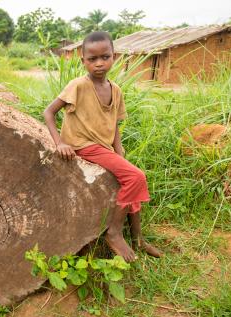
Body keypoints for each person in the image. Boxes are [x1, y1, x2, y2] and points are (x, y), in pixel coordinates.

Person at [42, 31, 162, 263]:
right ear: (83, 61)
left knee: (130, 183)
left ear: (114, 57)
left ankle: (137, 238)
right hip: (84, 146)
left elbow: (115, 122)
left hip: (103, 149)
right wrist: (60, 143)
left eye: (105, 57)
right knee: (137, 177)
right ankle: (114, 232)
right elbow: (48, 112)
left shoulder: (115, 90)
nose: (99, 63)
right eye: (92, 59)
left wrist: (119, 149)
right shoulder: (78, 85)